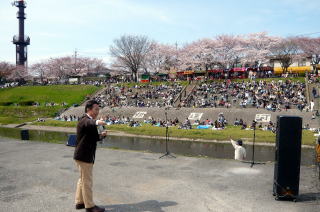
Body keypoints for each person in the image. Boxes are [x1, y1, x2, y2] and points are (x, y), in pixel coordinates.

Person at [73, 100, 107, 212]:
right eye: (96, 109)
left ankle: (79, 202)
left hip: (82, 155)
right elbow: (89, 123)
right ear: (88, 109)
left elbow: (92, 138)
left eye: (98, 109)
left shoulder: (89, 120)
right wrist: (98, 122)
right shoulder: (84, 120)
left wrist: (101, 136)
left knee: (82, 180)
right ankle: (90, 206)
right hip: (84, 156)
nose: (97, 111)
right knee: (87, 181)